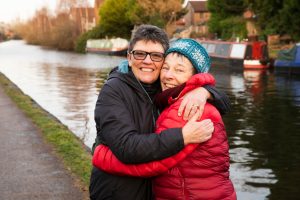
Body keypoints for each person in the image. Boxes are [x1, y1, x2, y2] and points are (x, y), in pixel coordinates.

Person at [89, 25, 231, 200]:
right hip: (118, 193)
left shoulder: (178, 98)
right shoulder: (114, 90)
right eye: (140, 54)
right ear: (129, 57)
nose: (148, 61)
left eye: (156, 56)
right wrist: (183, 136)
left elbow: (224, 101)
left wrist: (205, 92)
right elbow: (127, 147)